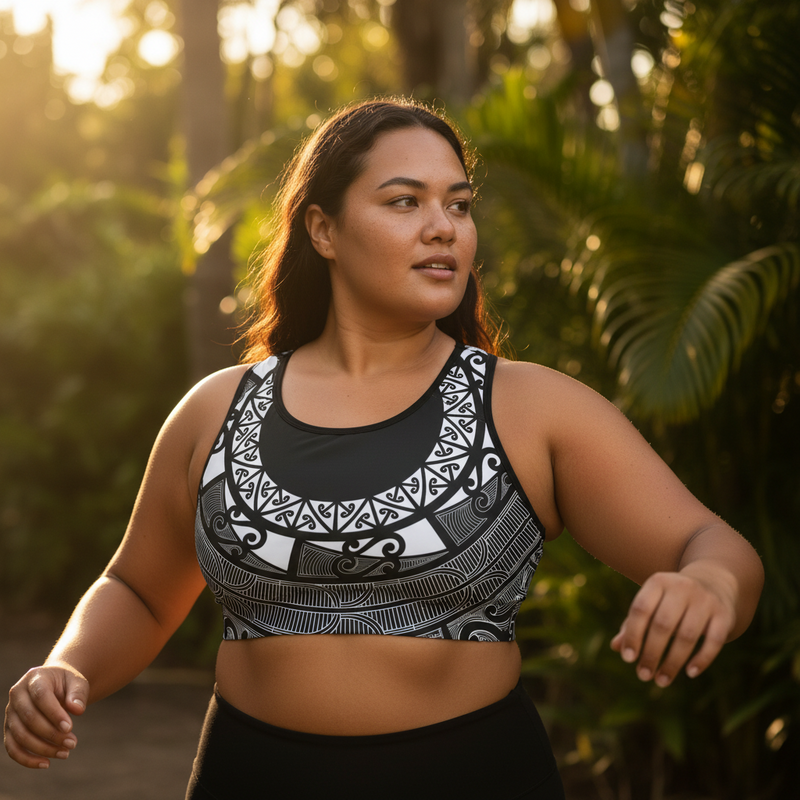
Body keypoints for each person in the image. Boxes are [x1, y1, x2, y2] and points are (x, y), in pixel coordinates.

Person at [4, 99, 764, 799]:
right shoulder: (214, 411)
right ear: (323, 229)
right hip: (250, 777)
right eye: (405, 202)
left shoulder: (533, 408)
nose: (445, 227)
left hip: (472, 778)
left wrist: (710, 586)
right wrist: (68, 668)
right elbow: (137, 591)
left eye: (458, 206)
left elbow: (713, 546)